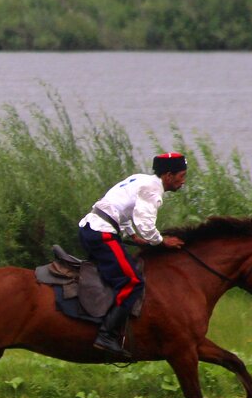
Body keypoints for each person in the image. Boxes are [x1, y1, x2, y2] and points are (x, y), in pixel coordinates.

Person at [77, 152, 188, 359]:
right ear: (169, 175)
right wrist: (162, 241)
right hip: (101, 234)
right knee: (132, 281)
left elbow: (118, 206)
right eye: (182, 176)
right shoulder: (153, 191)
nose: (183, 181)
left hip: (91, 228)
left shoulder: (140, 179)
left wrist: (131, 235)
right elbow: (146, 225)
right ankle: (106, 335)